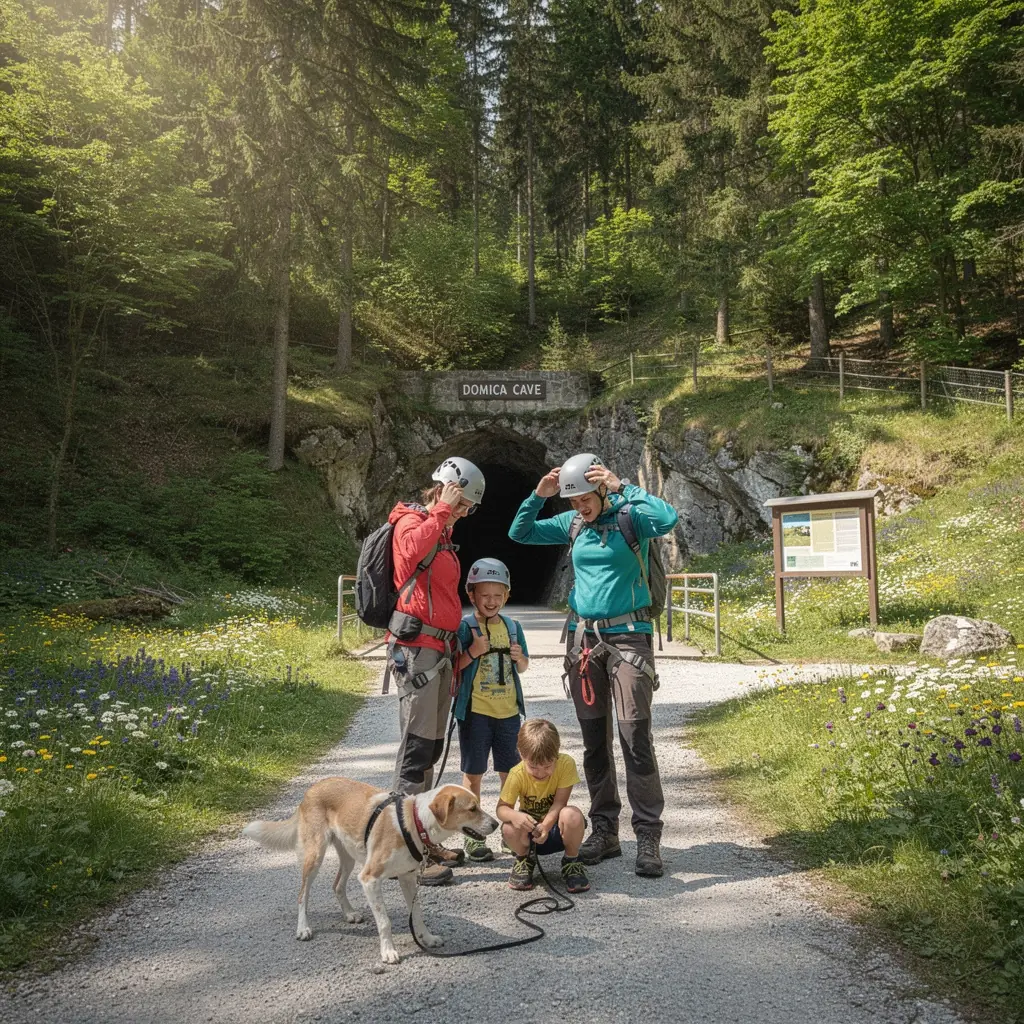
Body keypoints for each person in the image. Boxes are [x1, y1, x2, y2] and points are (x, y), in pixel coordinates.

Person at [508, 453, 678, 878]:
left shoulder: (631, 518)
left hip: (628, 637)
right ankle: (604, 830)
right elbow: (520, 532)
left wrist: (625, 488)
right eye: (573, 501)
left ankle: (648, 836)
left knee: (635, 735)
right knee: (594, 741)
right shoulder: (573, 525)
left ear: (601, 488)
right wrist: (536, 495)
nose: (579, 506)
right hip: (584, 641)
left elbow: (668, 517)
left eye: (585, 497)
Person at [386, 456, 485, 886]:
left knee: (430, 746)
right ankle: (404, 848)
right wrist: (443, 510)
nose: (463, 513)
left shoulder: (443, 534)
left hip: (440, 653)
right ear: (444, 488)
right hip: (418, 653)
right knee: (415, 750)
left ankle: (422, 839)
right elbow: (408, 555)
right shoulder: (411, 521)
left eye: (468, 509)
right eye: (461, 502)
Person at [454, 558, 529, 863]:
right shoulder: (465, 627)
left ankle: (510, 833)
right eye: (485, 596)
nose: (491, 601)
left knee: (509, 775)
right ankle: (473, 836)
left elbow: (523, 667)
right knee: (473, 775)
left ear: (506, 596)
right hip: (476, 713)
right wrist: (473, 651)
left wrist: (519, 656)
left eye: (498, 596)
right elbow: (455, 666)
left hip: (508, 713)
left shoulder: (513, 627)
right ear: (472, 596)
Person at [495, 718, 590, 894]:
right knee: (508, 827)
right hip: (528, 834)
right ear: (522, 755)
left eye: (547, 766)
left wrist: (546, 826)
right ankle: (524, 859)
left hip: (555, 830)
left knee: (573, 815)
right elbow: (501, 809)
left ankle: (571, 861)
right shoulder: (516, 773)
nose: (541, 773)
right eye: (533, 767)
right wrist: (516, 816)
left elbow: (560, 803)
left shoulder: (566, 764)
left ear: (557, 754)